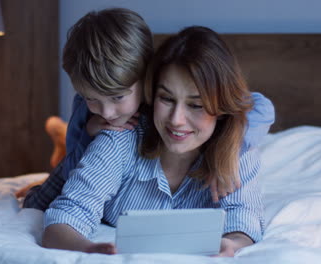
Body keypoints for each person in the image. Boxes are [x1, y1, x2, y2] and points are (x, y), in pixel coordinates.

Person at [41, 26, 275, 256]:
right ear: (151, 95)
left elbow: (244, 219)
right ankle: (61, 138)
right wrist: (88, 249)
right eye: (166, 98)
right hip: (82, 154)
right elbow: (67, 214)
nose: (176, 120)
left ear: (222, 107)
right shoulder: (119, 136)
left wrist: (232, 244)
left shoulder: (237, 149)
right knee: (43, 192)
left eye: (195, 105)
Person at [19, 7, 273, 210]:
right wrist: (88, 130)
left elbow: (262, 107)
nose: (106, 113)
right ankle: (59, 143)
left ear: (146, 77)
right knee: (40, 199)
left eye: (118, 97)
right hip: (83, 157)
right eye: (91, 97)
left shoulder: (166, 85)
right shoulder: (87, 110)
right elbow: (76, 166)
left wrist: (233, 148)